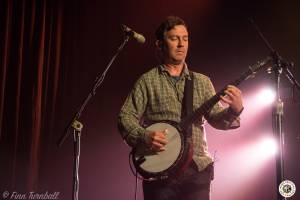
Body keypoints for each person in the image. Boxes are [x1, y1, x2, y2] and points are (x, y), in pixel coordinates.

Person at [118, 16, 243, 200]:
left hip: (197, 167)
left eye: (185, 38)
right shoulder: (147, 80)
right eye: (174, 38)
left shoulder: (201, 81)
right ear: (160, 44)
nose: (181, 44)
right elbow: (125, 117)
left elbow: (217, 119)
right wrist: (145, 136)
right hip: (160, 170)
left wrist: (235, 110)